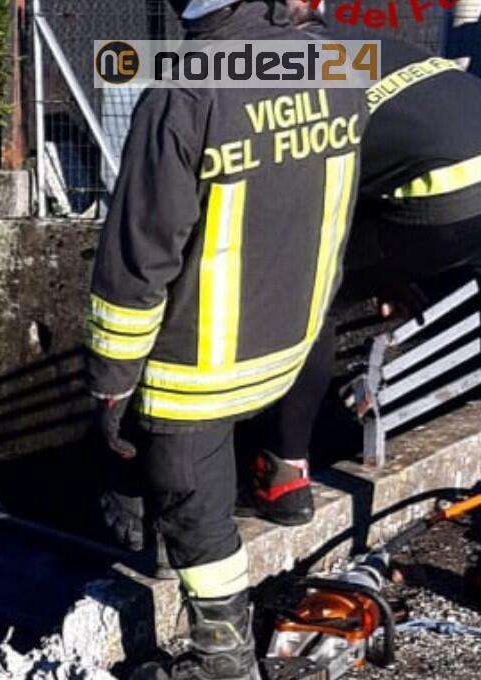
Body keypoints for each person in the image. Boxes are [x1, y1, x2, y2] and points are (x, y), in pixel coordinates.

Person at [85, 1, 368, 677]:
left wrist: (110, 376)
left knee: (195, 511)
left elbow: (140, 256)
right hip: (290, 346)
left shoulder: (187, 86)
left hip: (200, 370)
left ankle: (225, 660)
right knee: (166, 479)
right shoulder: (337, 64)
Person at [242, 0, 481, 526]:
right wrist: (393, 267)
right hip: (461, 190)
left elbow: (306, 201)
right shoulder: (363, 49)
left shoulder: (285, 71)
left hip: (441, 195)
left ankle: (286, 476)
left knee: (309, 294)